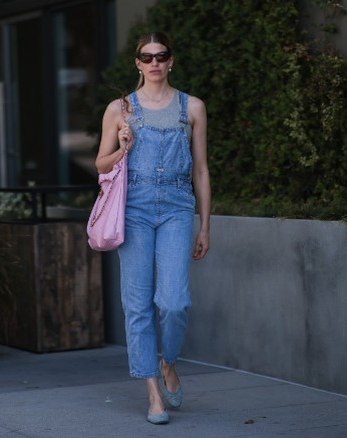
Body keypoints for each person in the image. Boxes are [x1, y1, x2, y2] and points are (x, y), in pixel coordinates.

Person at [95, 31, 211, 425]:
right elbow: (100, 165)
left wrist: (205, 225)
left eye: (161, 56)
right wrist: (123, 146)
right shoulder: (120, 109)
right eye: (147, 57)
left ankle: (168, 362)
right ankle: (152, 394)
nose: (155, 63)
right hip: (135, 209)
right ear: (138, 64)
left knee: (174, 301)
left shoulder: (191, 106)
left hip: (178, 208)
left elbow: (201, 169)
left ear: (171, 61)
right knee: (138, 303)